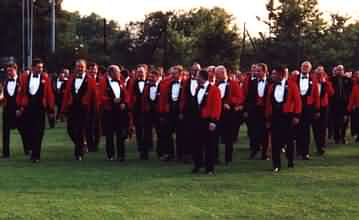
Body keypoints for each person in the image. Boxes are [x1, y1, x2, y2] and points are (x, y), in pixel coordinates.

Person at [16, 58, 55, 162]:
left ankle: (36, 155)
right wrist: (19, 107)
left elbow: (49, 94)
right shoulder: (24, 77)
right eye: (38, 67)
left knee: (39, 132)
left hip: (40, 109)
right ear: (32, 68)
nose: (40, 69)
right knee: (28, 130)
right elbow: (21, 93)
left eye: (42, 67)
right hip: (28, 108)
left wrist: (51, 110)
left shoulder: (46, 78)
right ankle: (30, 147)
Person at [265, 67, 301, 172]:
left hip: (288, 116)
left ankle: (290, 160)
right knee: (275, 141)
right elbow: (268, 103)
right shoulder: (271, 86)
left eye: (275, 74)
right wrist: (267, 118)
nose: (272, 76)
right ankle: (276, 165)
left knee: (289, 140)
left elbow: (297, 101)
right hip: (275, 117)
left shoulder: (292, 85)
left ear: (281, 75)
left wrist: (297, 115)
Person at [61, 59, 97, 161]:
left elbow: (94, 97)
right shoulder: (71, 80)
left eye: (82, 67)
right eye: (78, 66)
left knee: (80, 131)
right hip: (72, 108)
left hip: (84, 109)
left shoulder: (91, 80)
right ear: (75, 68)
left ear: (85, 68)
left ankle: (78, 154)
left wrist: (93, 111)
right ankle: (81, 144)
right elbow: (67, 95)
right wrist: (63, 110)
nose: (80, 68)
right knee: (70, 130)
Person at [192, 69, 222, 175]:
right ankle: (197, 165)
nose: (195, 78)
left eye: (197, 76)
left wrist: (213, 121)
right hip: (198, 121)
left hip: (209, 121)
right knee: (197, 144)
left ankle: (210, 168)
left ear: (202, 77)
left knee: (210, 145)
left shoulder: (214, 90)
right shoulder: (197, 89)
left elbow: (217, 106)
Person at [215, 65, 245, 165]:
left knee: (228, 138)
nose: (216, 76)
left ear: (223, 73)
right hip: (217, 113)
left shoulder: (233, 84)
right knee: (215, 136)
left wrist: (230, 103)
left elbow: (240, 98)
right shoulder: (215, 84)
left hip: (229, 114)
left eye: (218, 74)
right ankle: (215, 158)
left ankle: (228, 159)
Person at [98, 65, 129, 161]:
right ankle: (110, 154)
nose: (119, 74)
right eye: (117, 72)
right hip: (109, 111)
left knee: (121, 133)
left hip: (120, 111)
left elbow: (126, 95)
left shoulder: (121, 82)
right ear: (111, 73)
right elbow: (101, 96)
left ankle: (121, 155)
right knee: (109, 134)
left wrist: (124, 103)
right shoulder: (103, 82)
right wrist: (112, 100)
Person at [290, 61, 320, 160]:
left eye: (307, 67)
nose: (305, 68)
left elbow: (316, 95)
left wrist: (317, 109)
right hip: (296, 107)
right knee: (296, 129)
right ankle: (298, 151)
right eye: (303, 66)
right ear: (300, 67)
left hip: (308, 107)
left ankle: (305, 152)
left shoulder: (313, 79)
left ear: (310, 69)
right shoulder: (294, 78)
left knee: (306, 130)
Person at [0, 63, 28, 158]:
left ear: (16, 70)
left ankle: (27, 149)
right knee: (5, 133)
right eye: (8, 71)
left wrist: (21, 109)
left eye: (11, 70)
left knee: (23, 131)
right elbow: (3, 94)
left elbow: (24, 95)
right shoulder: (5, 81)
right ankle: (5, 153)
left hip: (18, 110)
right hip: (7, 110)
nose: (9, 73)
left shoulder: (22, 81)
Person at [244, 63, 270, 160]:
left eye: (259, 71)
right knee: (254, 132)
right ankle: (254, 150)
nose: (257, 72)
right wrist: (247, 109)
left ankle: (264, 154)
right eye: (256, 71)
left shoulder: (270, 82)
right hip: (254, 111)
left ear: (264, 71)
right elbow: (249, 97)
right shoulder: (252, 82)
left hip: (265, 111)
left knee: (265, 133)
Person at [312, 66, 334, 155]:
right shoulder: (312, 81)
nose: (320, 73)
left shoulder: (327, 82)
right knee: (316, 128)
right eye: (318, 71)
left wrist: (325, 83)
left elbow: (331, 93)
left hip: (324, 107)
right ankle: (318, 146)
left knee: (323, 127)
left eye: (321, 71)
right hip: (314, 107)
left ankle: (321, 146)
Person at [331, 65, 352, 144]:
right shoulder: (332, 79)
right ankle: (336, 138)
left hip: (345, 103)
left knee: (345, 121)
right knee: (335, 121)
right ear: (336, 71)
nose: (340, 71)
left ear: (343, 70)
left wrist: (349, 78)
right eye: (338, 70)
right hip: (335, 103)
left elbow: (351, 89)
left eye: (341, 70)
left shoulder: (347, 80)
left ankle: (343, 137)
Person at [132, 65, 148, 159]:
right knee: (138, 131)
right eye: (139, 72)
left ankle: (145, 151)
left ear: (145, 72)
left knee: (146, 131)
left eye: (142, 72)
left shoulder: (149, 82)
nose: (140, 74)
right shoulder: (134, 83)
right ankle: (140, 149)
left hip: (147, 111)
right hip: (137, 111)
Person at [85, 62, 101, 152]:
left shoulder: (101, 80)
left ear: (97, 70)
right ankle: (90, 145)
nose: (93, 71)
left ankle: (96, 144)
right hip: (87, 106)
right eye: (91, 69)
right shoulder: (86, 80)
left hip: (98, 106)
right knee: (88, 126)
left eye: (94, 69)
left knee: (97, 127)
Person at [347, 70, 359, 142]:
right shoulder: (355, 86)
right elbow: (352, 98)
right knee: (356, 122)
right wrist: (349, 107)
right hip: (357, 106)